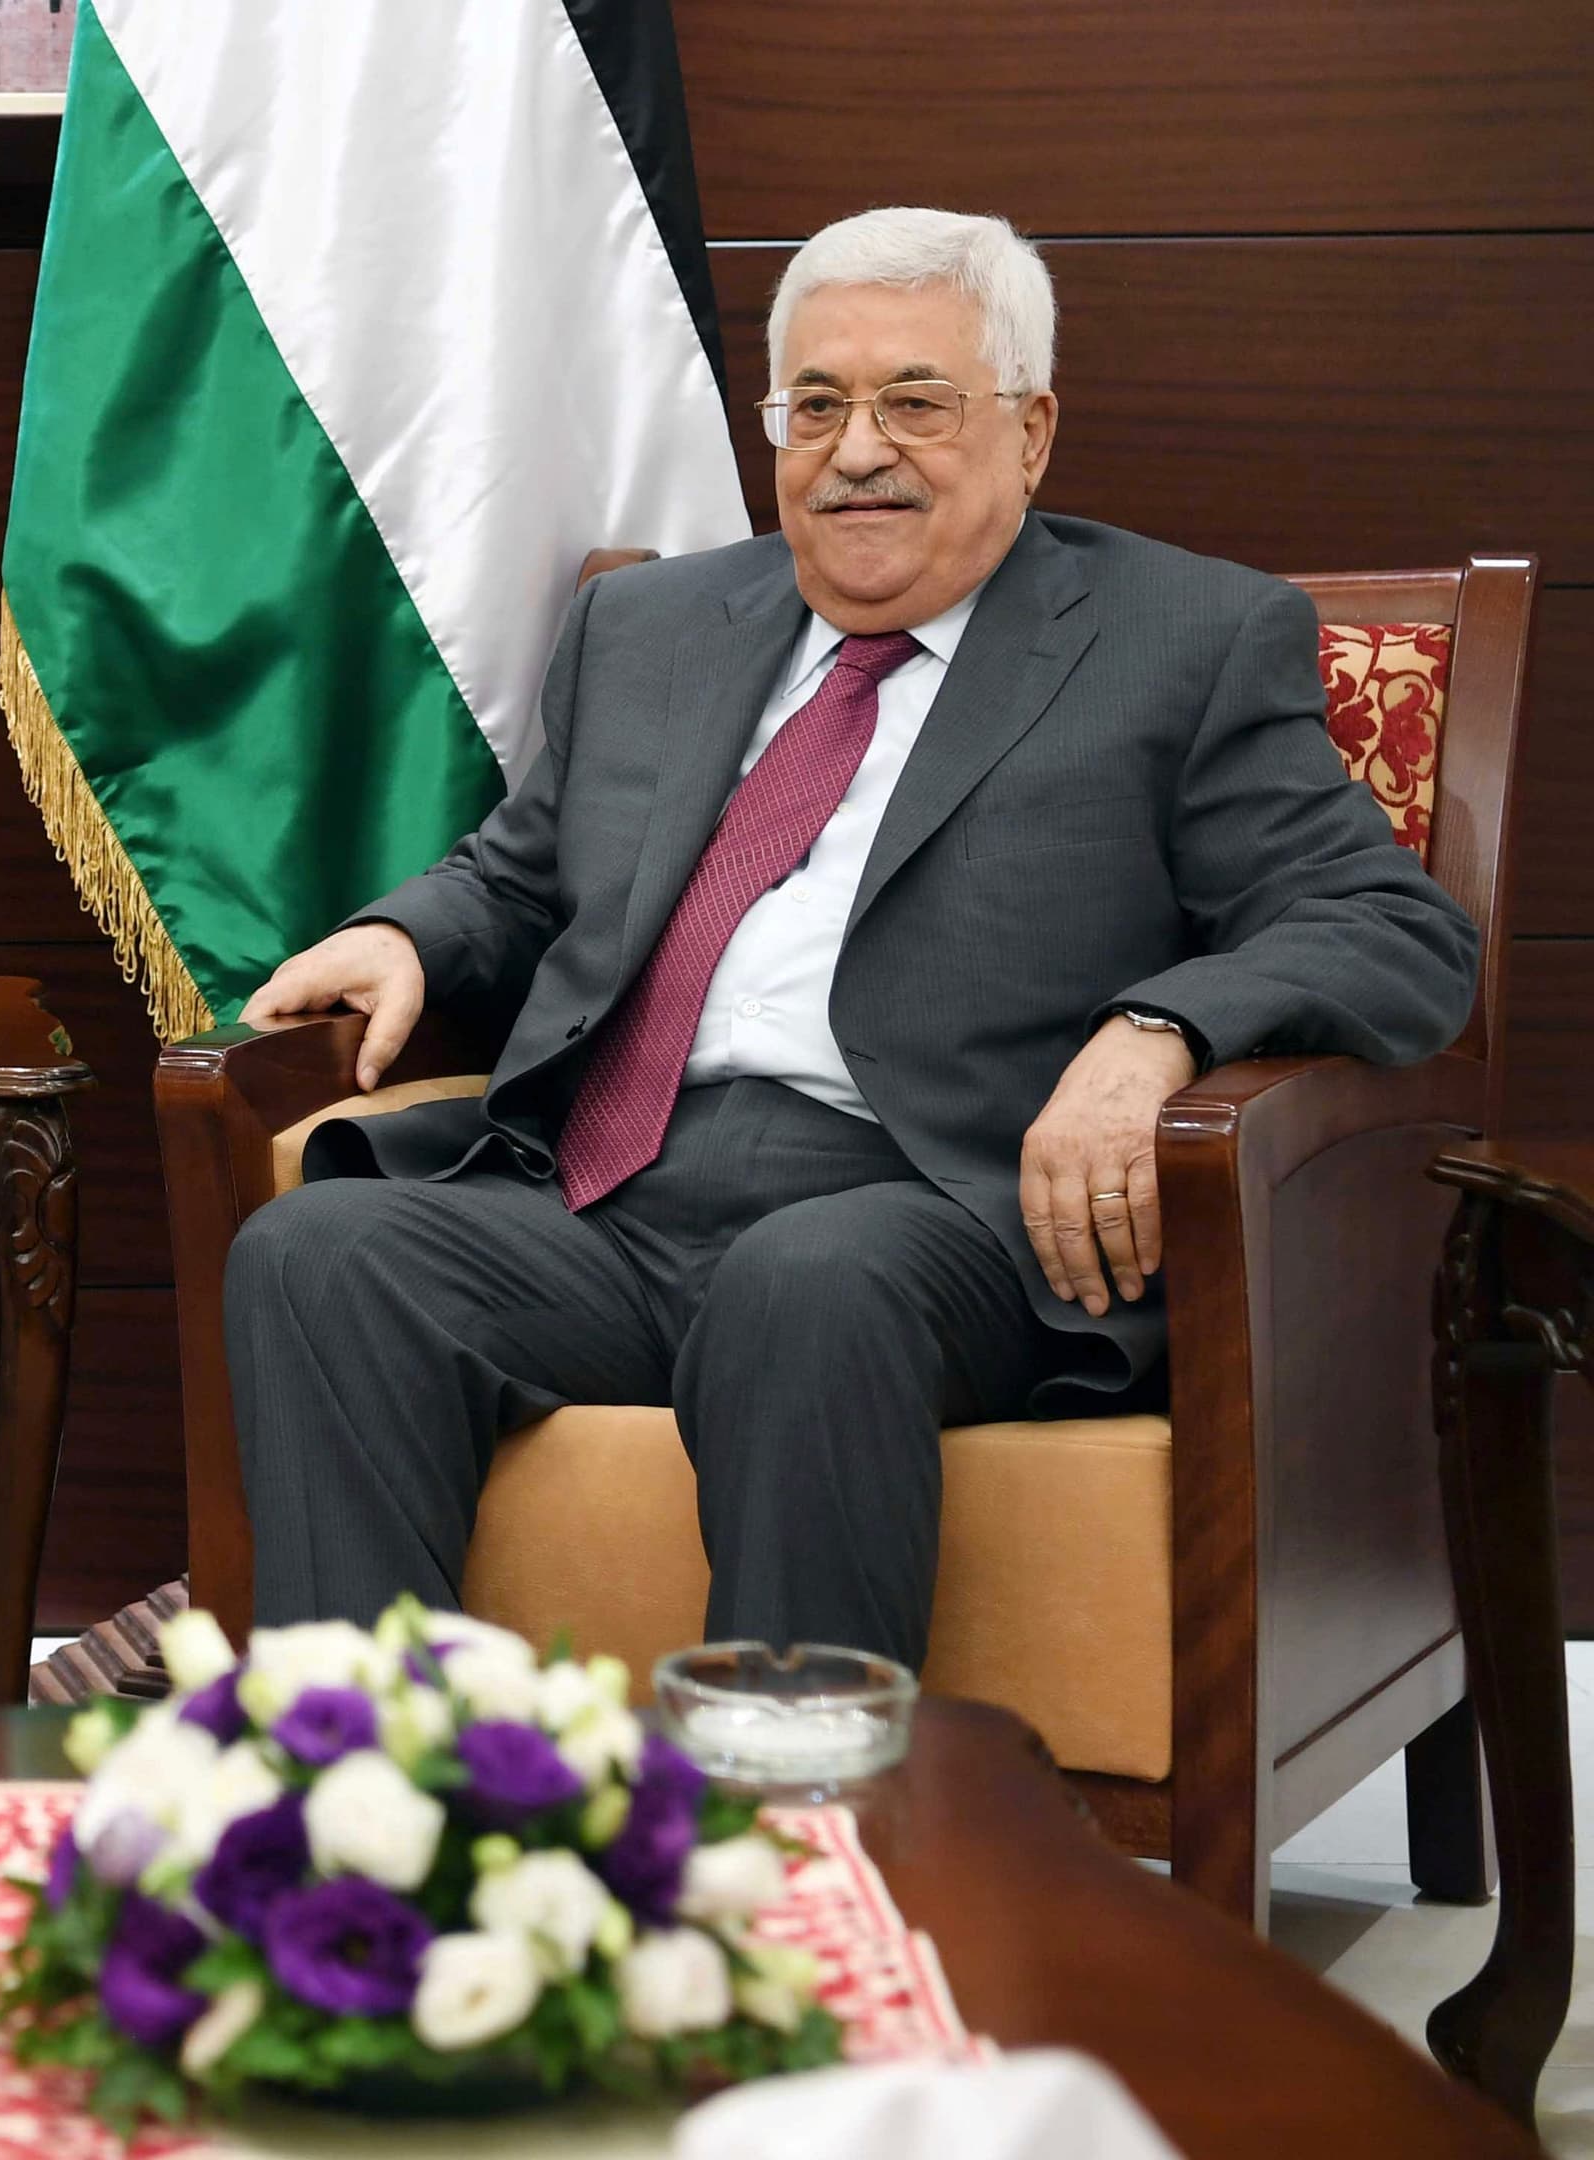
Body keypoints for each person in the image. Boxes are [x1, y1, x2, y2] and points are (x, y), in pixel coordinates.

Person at [221, 206, 1476, 1667]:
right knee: (323, 1254)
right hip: (613, 1191)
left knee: (807, 1280)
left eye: (916, 403)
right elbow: (521, 875)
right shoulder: (651, 626)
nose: (856, 450)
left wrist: (1160, 1031)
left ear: (1030, 432)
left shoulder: (1183, 641)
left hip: (931, 1209)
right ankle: (374, 1779)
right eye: (815, 406)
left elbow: (1391, 926)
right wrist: (411, 937)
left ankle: (799, 1801)